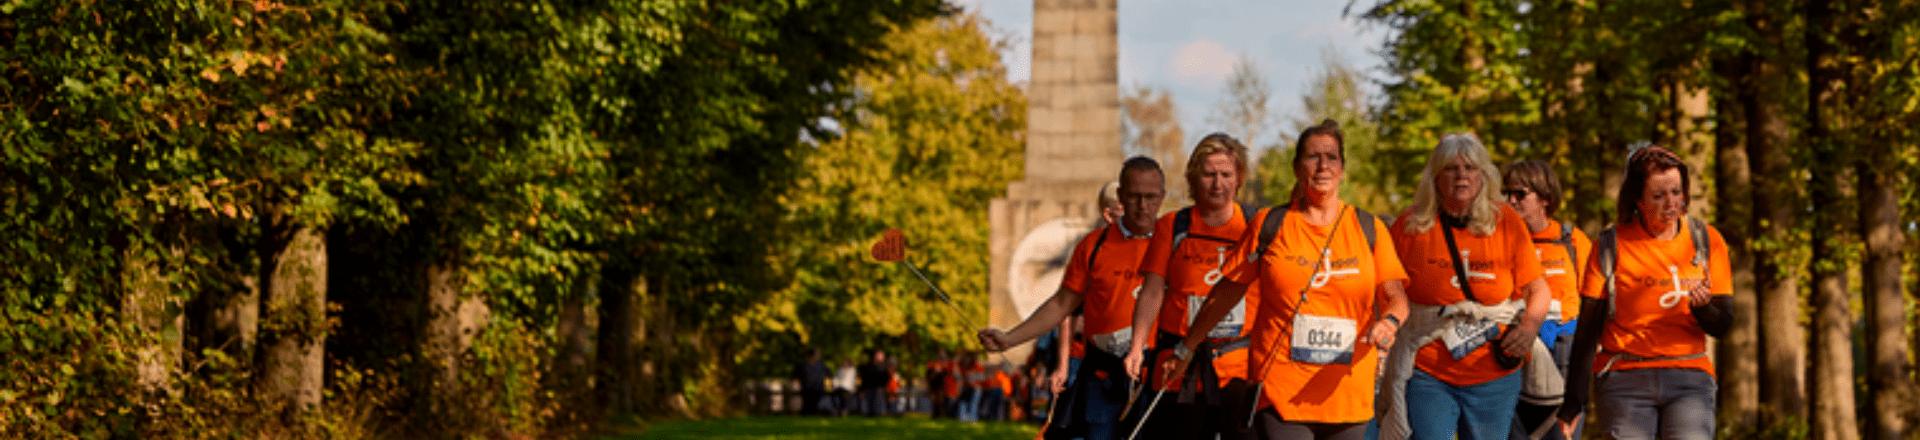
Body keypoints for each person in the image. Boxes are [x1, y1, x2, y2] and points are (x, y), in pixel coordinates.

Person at [1166, 119, 1409, 440]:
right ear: (1296, 168)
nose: (1323, 165)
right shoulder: (1270, 225)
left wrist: (1389, 323)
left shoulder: (1369, 229)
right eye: (1312, 156)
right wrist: (1186, 348)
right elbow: (1226, 292)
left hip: (1347, 392)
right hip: (1280, 389)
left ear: (1343, 168)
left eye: (1331, 157)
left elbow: (1397, 297)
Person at [1378, 133, 1552, 440]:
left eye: (1470, 168)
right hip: (1427, 370)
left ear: (1484, 176)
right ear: (1435, 177)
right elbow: (1384, 291)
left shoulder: (1507, 222)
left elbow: (1538, 289)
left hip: (1493, 375)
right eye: (1451, 168)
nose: (1461, 176)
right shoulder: (1409, 226)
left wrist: (1528, 330)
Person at [979, 157, 1167, 439]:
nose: (1143, 205)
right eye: (1134, 196)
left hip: (1156, 377)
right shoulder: (1093, 246)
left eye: (1151, 197)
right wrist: (1010, 338)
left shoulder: (1175, 245)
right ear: (1120, 197)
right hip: (1103, 377)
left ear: (1162, 197)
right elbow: (1061, 304)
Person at [1555, 145, 1732, 440]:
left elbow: (1723, 324)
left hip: (1689, 377)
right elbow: (1587, 333)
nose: (1672, 203)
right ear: (1638, 200)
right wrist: (1573, 402)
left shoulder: (1706, 240)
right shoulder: (1610, 246)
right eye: (1658, 196)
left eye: (1677, 192)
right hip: (1624, 378)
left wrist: (1703, 309)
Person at [1124, 133, 1259, 440]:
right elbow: (1153, 290)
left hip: (1238, 366)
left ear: (1239, 179)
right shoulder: (1173, 226)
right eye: (1209, 174)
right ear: (1194, 178)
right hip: (1179, 365)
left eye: (1226, 174)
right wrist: (1136, 345)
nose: (1217, 183)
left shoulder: (1256, 227)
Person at [1500, 160, 1593, 440]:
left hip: (1563, 352)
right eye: (1508, 194)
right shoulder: (1500, 241)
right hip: (1514, 349)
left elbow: (1594, 304)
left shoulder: (1571, 241)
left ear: (1545, 198)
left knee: (1561, 434)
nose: (1511, 201)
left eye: (1520, 194)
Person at [793, 348, 831, 415]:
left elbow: (829, 374)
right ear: (813, 355)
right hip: (807, 389)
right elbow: (795, 374)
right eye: (817, 354)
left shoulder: (821, 364)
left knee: (815, 406)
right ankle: (805, 416)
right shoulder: (804, 365)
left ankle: (813, 415)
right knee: (806, 406)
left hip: (818, 389)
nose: (819, 356)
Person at [858, 348, 891, 416]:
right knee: (869, 408)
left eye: (881, 355)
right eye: (878, 355)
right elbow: (864, 379)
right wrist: (862, 390)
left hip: (880, 389)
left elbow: (887, 379)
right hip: (869, 388)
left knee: (878, 408)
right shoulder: (869, 366)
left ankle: (879, 413)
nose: (879, 357)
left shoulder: (885, 367)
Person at [929, 350, 953, 418]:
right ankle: (936, 415)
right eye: (941, 356)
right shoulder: (933, 364)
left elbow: (946, 374)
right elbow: (930, 375)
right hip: (935, 385)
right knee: (935, 401)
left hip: (942, 386)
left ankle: (941, 415)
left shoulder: (946, 365)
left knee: (941, 401)